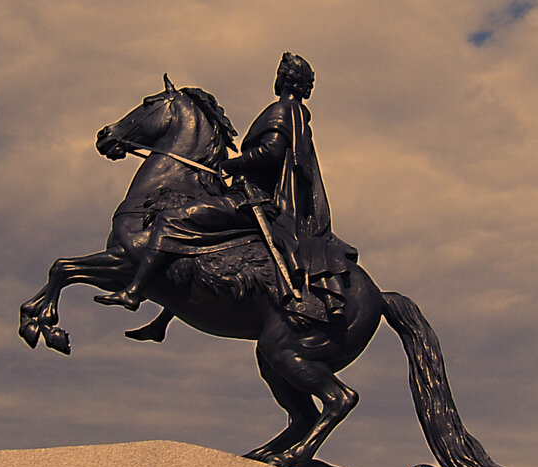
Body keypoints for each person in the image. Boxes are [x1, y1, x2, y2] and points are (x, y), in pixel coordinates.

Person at [95, 53, 355, 320]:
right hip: (257, 199)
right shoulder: (297, 114)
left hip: (253, 201)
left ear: (285, 79)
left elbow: (273, 152)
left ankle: (134, 291)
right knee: (197, 242)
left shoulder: (282, 110)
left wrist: (233, 165)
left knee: (173, 221)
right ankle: (162, 321)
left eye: (280, 72)